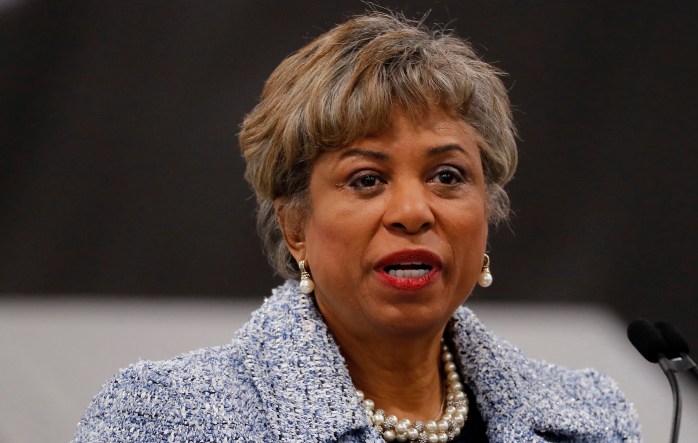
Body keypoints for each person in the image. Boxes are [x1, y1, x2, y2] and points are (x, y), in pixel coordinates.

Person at [73, 11, 640, 443]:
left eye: (447, 176)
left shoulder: (591, 419)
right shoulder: (165, 419)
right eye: (367, 179)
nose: (413, 211)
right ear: (294, 225)